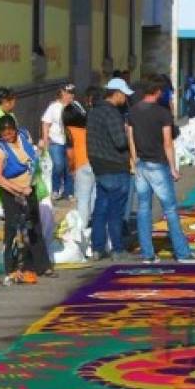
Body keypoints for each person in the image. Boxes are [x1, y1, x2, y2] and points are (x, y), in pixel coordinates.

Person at [128, 77, 195, 264]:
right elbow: (168, 143)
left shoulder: (133, 111)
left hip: (141, 163)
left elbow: (130, 137)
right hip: (157, 163)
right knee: (170, 209)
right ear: (157, 92)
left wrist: (133, 160)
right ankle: (182, 253)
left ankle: (148, 254)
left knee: (144, 208)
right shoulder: (161, 113)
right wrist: (173, 168)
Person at [0, 114, 52, 281]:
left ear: (15, 130)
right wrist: (18, 189)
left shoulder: (24, 135)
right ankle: (11, 268)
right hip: (11, 192)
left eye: (10, 133)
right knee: (12, 228)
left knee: (34, 227)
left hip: (29, 189)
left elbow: (33, 156)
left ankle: (42, 266)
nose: (7, 137)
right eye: (4, 134)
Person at [87, 78, 133, 260]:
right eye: (124, 95)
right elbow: (120, 142)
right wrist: (128, 133)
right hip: (115, 165)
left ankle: (97, 247)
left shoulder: (94, 111)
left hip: (99, 165)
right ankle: (117, 248)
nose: (126, 99)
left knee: (100, 208)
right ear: (117, 94)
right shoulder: (112, 113)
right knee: (116, 210)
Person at [40, 82, 76, 200]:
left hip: (71, 142)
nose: (71, 95)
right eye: (69, 93)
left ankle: (69, 191)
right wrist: (45, 140)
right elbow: (45, 123)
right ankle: (55, 189)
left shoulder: (75, 106)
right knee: (59, 165)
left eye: (73, 93)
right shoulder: (53, 107)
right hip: (56, 141)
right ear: (62, 93)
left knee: (69, 167)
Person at [63, 103, 94, 233]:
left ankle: (82, 226)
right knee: (93, 195)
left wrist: (71, 168)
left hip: (81, 164)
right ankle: (93, 220)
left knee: (83, 197)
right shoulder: (87, 128)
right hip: (94, 162)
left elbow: (70, 154)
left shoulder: (69, 131)